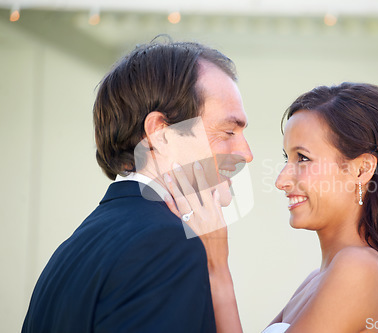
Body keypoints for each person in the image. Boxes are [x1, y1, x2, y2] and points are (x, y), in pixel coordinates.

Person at [166, 82, 378, 333]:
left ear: (361, 169)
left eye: (303, 158)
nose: (281, 180)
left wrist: (217, 267)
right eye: (287, 158)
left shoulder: (360, 268)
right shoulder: (319, 277)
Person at [22, 39, 253, 333]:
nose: (246, 153)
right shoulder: (168, 244)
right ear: (161, 134)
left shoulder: (71, 250)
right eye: (228, 131)